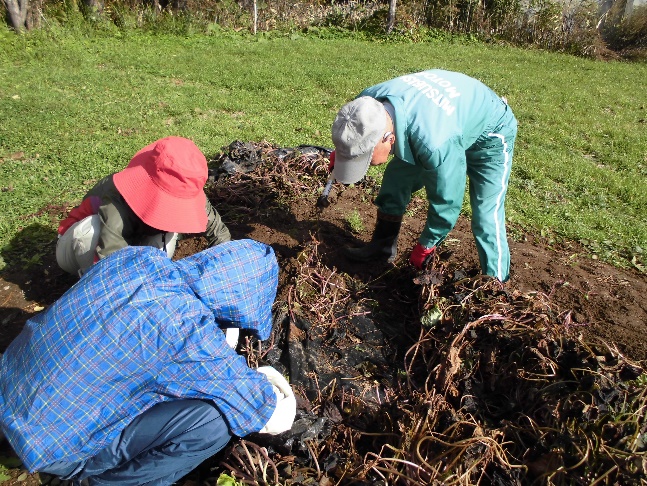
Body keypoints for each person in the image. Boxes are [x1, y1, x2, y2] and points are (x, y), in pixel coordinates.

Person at [0, 239, 296, 486]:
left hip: (9, 388)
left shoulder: (137, 258)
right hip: (52, 446)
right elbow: (267, 413)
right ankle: (92, 479)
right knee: (213, 423)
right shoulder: (188, 330)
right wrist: (274, 384)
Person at [330, 69, 517, 282]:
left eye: (365, 156)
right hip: (444, 118)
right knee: (396, 179)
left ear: (388, 138)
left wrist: (427, 245)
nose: (365, 162)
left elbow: (447, 201)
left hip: (491, 131)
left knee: (486, 216)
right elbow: (354, 130)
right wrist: (346, 151)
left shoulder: (433, 145)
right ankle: (381, 247)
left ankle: (496, 288)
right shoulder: (366, 104)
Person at [56, 136, 231, 277]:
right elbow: (109, 253)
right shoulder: (117, 196)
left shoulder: (186, 185)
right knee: (92, 229)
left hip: (133, 241)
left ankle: (145, 277)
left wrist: (227, 267)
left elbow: (218, 232)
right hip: (78, 249)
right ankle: (87, 282)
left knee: (168, 230)